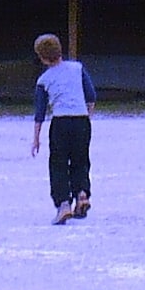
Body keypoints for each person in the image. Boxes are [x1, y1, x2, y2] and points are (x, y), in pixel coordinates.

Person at [28, 32, 96, 224]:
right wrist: (87, 116)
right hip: (81, 121)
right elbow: (91, 95)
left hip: (60, 123)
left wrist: (36, 138)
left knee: (58, 163)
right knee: (81, 160)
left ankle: (63, 204)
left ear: (42, 57)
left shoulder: (44, 80)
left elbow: (40, 112)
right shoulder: (77, 68)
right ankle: (82, 194)